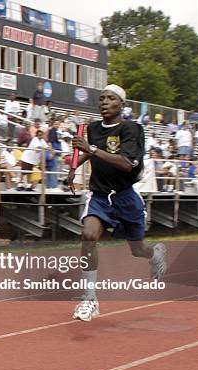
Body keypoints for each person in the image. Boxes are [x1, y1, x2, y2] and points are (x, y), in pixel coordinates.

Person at [67, 84, 167, 322]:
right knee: (89, 235)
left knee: (137, 250)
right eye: (101, 98)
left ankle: (154, 254)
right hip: (99, 195)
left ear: (121, 104)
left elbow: (126, 163)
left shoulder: (132, 128)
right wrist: (74, 167)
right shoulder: (93, 128)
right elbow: (93, 152)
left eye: (110, 98)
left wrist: (90, 148)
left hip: (125, 197)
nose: (104, 102)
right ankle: (89, 299)